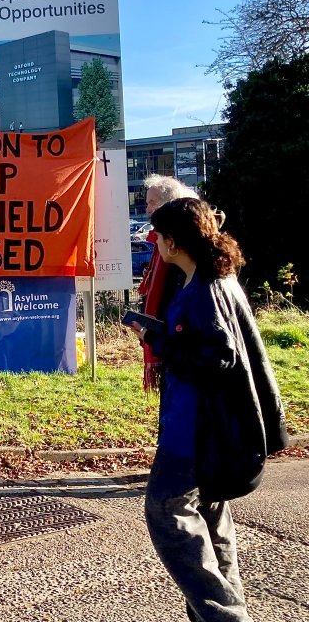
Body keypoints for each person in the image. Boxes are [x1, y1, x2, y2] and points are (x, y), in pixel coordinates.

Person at [129, 198, 288, 622]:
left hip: (194, 429)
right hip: (215, 427)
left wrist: (161, 343)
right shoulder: (219, 277)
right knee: (211, 520)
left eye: (159, 236)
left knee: (168, 512)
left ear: (174, 241)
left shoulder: (202, 290)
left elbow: (217, 357)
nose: (156, 243)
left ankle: (227, 617)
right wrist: (162, 333)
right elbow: (211, 346)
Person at [137, 175, 199, 391]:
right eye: (147, 203)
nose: (148, 210)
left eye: (152, 202)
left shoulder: (183, 254)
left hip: (181, 354)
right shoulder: (159, 243)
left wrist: (156, 336)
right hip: (169, 345)